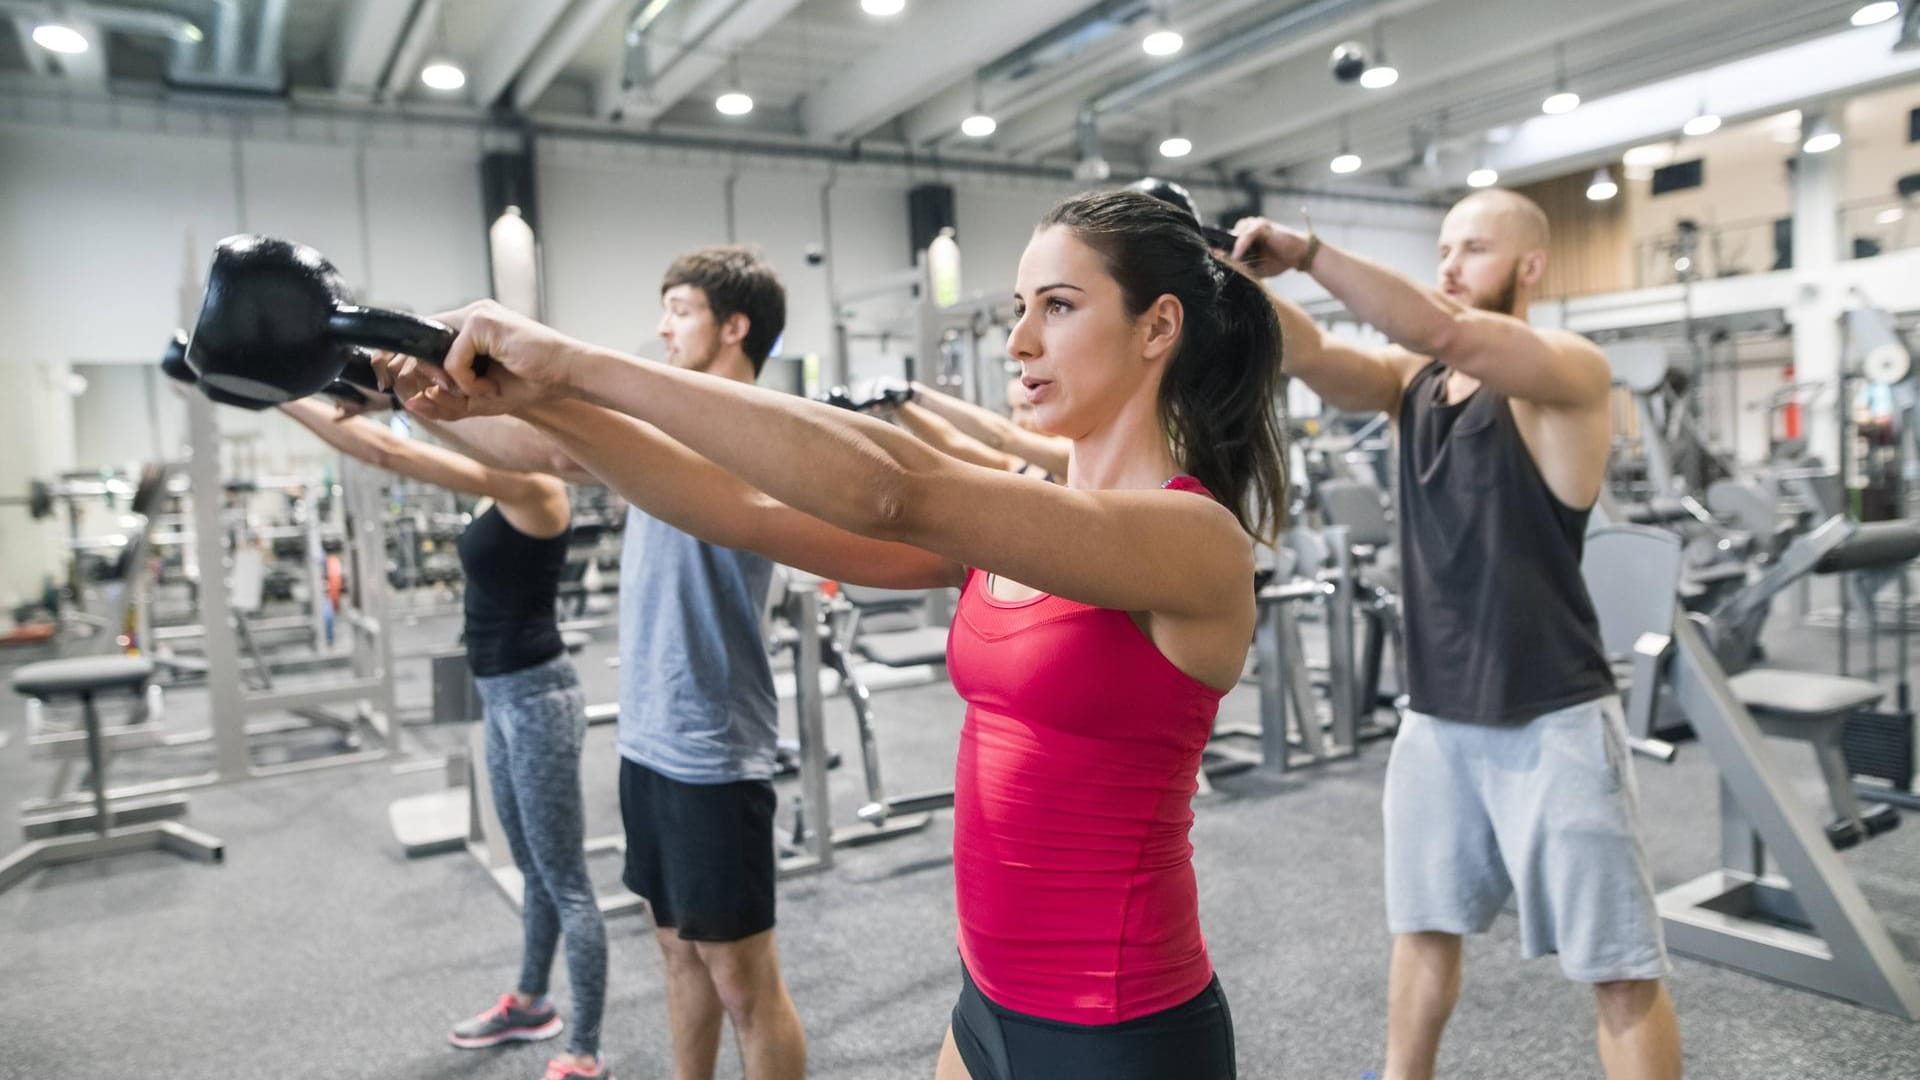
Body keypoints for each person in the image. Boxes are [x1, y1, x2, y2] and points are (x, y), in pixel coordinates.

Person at [381, 188, 1285, 1080]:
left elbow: (896, 489)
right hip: (986, 1012)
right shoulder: (1025, 516)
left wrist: (569, 364)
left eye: (1058, 307)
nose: (1019, 343)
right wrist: (522, 399)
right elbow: (742, 508)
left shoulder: (1191, 539)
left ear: (1158, 327)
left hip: (1121, 1038)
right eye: (1020, 309)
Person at [1232, 189, 1682, 1080]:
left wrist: (1310, 250)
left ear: (1530, 266)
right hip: (1436, 717)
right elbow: (1315, 350)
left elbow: (1452, 331)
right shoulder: (1413, 385)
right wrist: (1212, 275)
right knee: (1422, 928)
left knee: (1619, 971)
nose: (1449, 266)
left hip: (1553, 715)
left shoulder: (1567, 370)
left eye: (1473, 249)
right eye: (1443, 248)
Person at [373, 247, 809, 1080]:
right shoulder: (668, 427)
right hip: (649, 737)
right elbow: (529, 450)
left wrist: (444, 387)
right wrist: (411, 388)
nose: (662, 325)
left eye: (679, 308)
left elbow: (555, 448)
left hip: (713, 751)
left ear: (735, 326)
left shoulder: (752, 430)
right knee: (678, 954)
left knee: (745, 985)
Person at [277, 395, 611, 1080]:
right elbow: (432, 431)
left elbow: (390, 451)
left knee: (567, 881)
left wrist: (281, 394)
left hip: (539, 699)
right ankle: (530, 1001)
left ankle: (585, 1051)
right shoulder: (499, 481)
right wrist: (378, 392)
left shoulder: (535, 487)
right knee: (532, 869)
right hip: (500, 698)